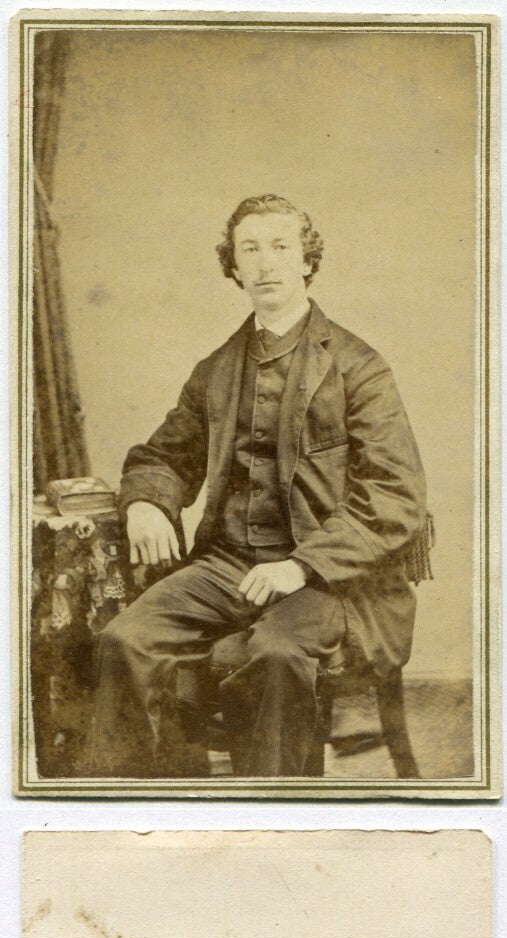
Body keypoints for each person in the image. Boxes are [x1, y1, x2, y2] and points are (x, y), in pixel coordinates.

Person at [92, 193, 429, 777]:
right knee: (126, 641)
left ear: (307, 260)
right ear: (234, 266)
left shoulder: (359, 367)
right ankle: (151, 804)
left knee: (274, 655)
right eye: (250, 249)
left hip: (333, 580)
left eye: (280, 246)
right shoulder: (217, 369)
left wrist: (302, 566)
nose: (266, 263)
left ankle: (273, 810)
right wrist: (146, 501)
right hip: (228, 565)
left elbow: (395, 493)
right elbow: (163, 455)